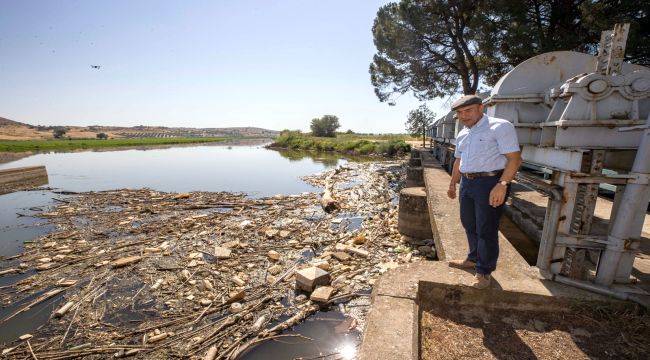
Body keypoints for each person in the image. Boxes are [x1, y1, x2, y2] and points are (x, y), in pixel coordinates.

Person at [446, 94, 522, 289]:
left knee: (486, 228)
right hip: (467, 183)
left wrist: (502, 184)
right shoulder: (463, 133)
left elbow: (514, 159)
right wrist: (453, 183)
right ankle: (472, 258)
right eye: (460, 113)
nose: (464, 116)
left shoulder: (500, 126)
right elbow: (458, 160)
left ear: (481, 108)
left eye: (468, 110)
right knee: (468, 223)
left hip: (490, 182)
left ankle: (484, 271)